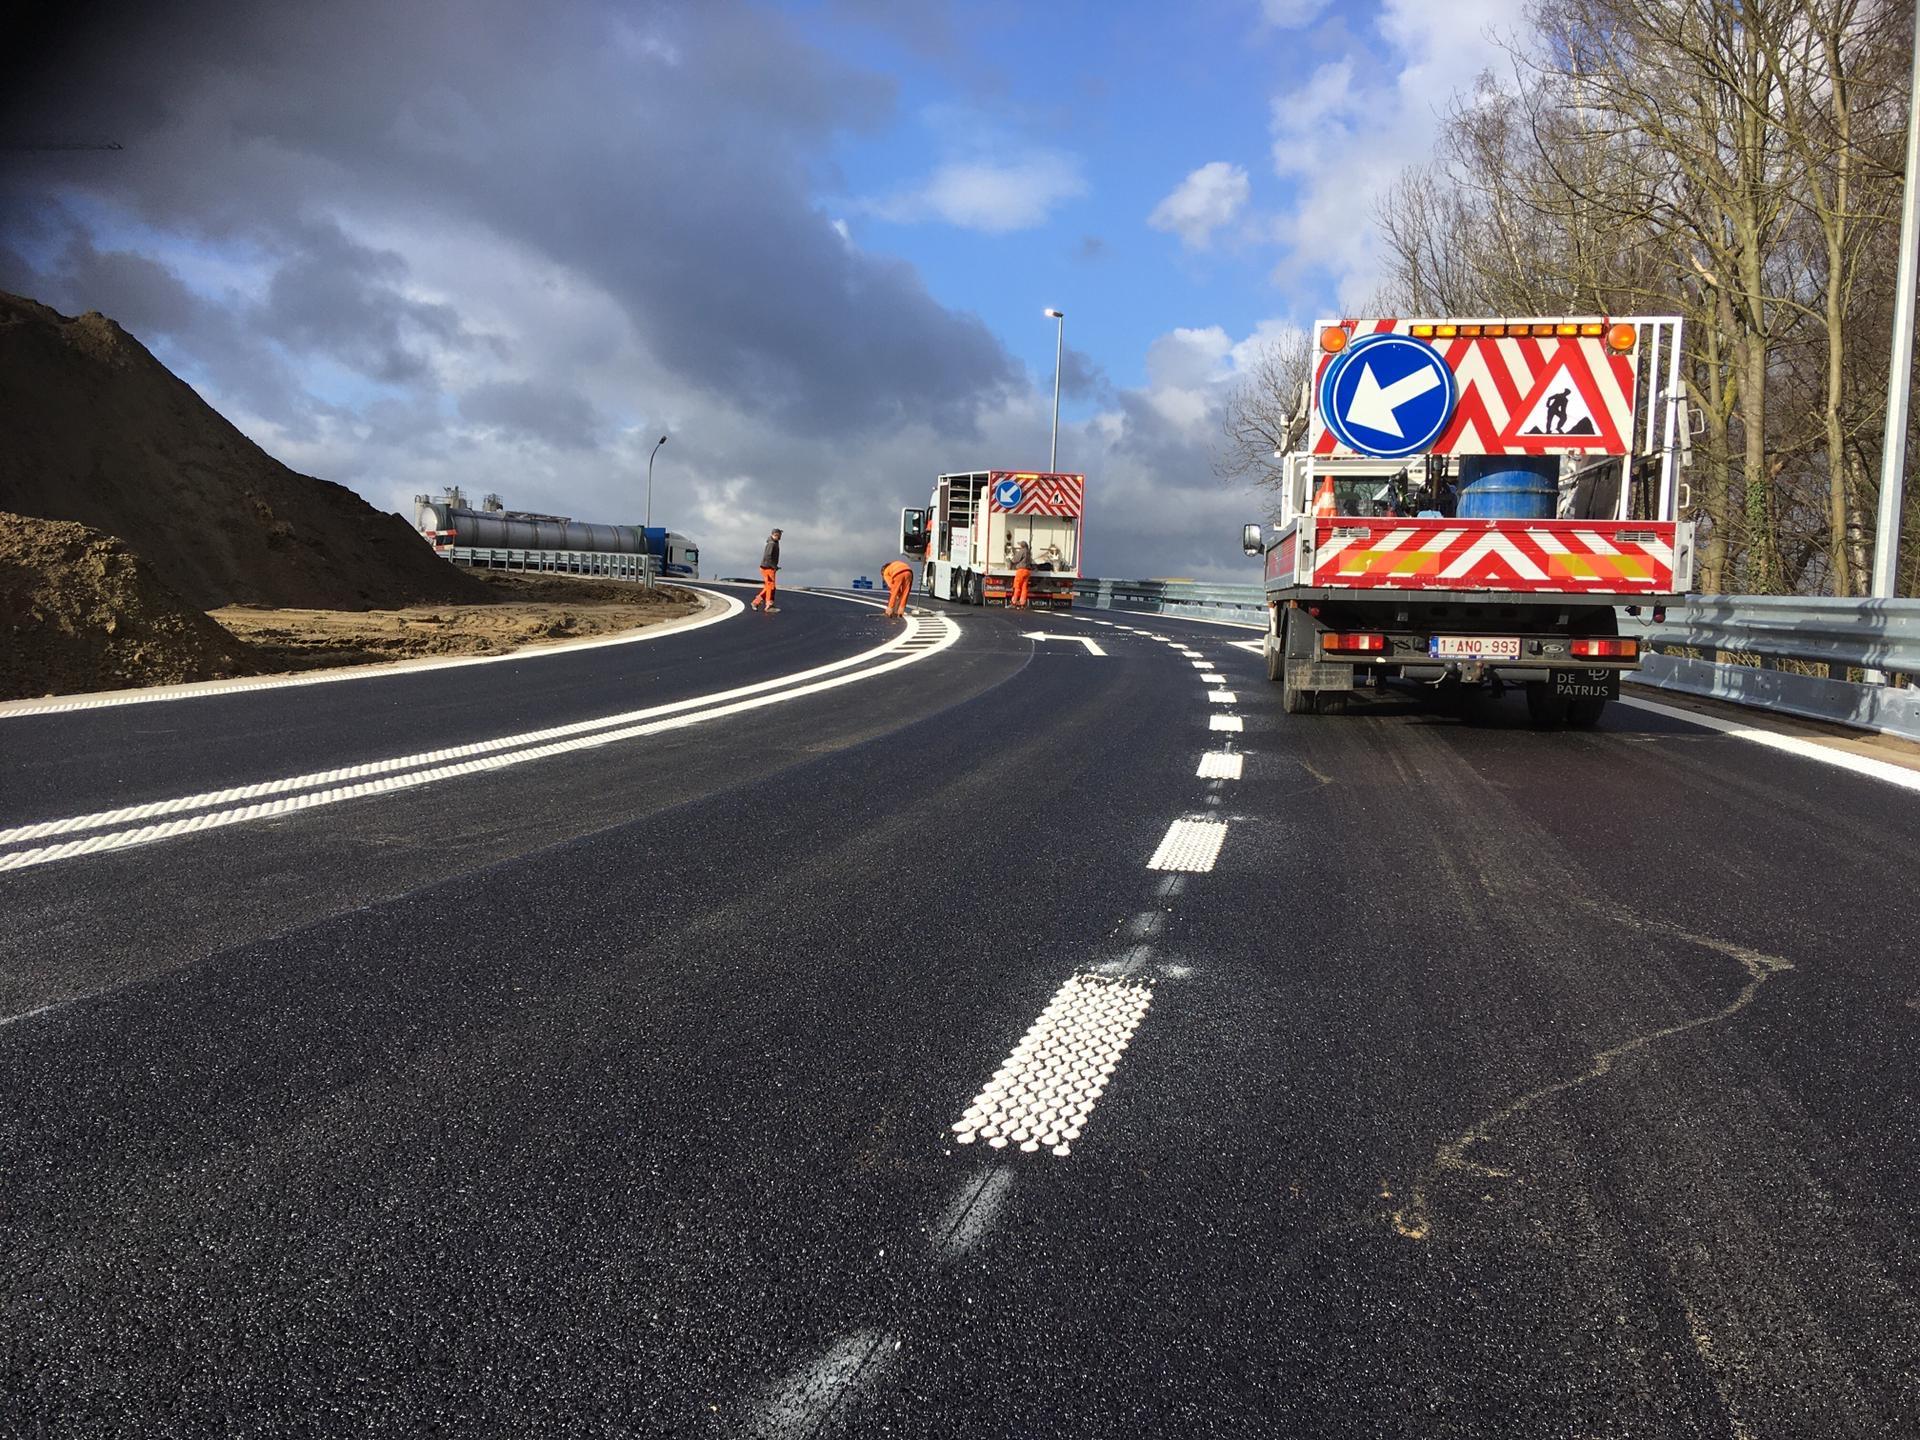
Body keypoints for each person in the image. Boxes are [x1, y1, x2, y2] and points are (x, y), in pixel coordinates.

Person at [752, 528, 782, 612]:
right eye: (778, 535)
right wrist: (773, 566)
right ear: (774, 535)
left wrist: (775, 566)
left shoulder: (775, 542)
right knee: (771, 587)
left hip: (769, 568)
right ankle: (769, 606)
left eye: (780, 535)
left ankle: (756, 602)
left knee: (768, 587)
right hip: (767, 568)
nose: (779, 537)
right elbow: (767, 557)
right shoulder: (771, 544)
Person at [1009, 537, 1033, 609]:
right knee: (1024, 587)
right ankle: (1022, 603)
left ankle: (1014, 602)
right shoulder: (1029, 552)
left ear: (1022, 546)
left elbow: (1015, 559)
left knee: (1017, 586)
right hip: (1027, 571)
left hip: (1021, 571)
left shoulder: (1022, 551)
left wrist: (1011, 560)